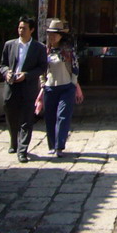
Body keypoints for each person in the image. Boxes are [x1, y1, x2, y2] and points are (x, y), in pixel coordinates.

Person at [0, 16, 47, 163]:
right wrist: (7, 73)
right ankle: (14, 140)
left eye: (24, 28)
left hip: (27, 86)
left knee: (27, 119)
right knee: (11, 114)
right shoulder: (9, 45)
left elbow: (42, 67)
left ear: (31, 30)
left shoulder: (39, 48)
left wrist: (26, 75)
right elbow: (2, 64)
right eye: (19, 28)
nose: (21, 31)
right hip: (12, 86)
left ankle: (22, 150)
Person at [41, 18, 84, 157]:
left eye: (55, 34)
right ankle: (52, 145)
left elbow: (75, 67)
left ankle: (59, 146)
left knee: (63, 116)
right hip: (49, 87)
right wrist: (42, 82)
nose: (52, 37)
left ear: (61, 35)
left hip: (66, 86)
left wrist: (73, 82)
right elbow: (41, 69)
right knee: (50, 117)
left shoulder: (68, 51)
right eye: (50, 34)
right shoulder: (45, 51)